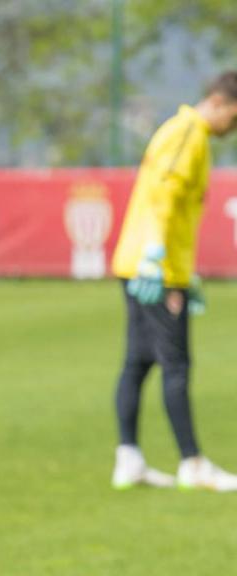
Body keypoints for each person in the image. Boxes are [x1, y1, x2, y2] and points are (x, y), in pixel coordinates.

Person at [110, 71, 237, 491]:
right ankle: (192, 463)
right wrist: (158, 260)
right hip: (154, 270)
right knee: (176, 364)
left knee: (139, 360)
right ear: (219, 101)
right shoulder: (190, 134)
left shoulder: (181, 130)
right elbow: (163, 196)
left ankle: (128, 458)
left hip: (144, 264)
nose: (233, 126)